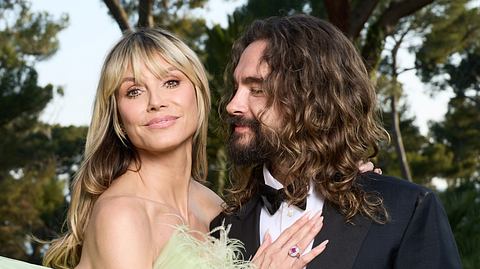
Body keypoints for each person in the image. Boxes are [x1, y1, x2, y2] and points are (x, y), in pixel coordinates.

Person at [0, 28, 332, 269]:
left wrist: (340, 171)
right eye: (133, 92)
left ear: (198, 93)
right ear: (117, 115)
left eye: (171, 82)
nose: (156, 102)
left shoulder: (212, 205)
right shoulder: (123, 216)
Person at [210, 14, 462, 269]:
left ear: (312, 97)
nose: (232, 105)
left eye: (257, 89)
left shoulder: (406, 210)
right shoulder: (222, 229)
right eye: (236, 88)